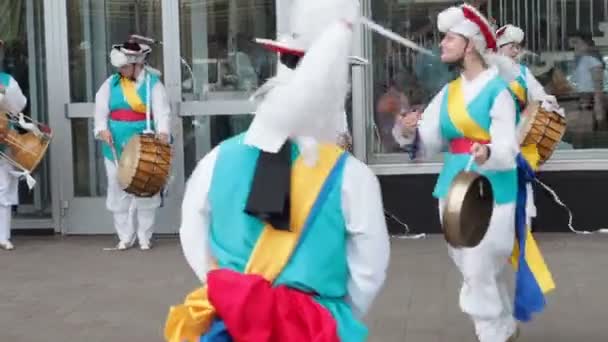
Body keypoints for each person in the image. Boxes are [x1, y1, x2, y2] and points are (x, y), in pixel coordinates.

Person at [164, 0, 390, 341]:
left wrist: (228, 289)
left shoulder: (216, 159)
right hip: (314, 326)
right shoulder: (353, 176)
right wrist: (337, 312)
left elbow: (192, 228)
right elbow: (369, 267)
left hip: (230, 322)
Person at [395, 4, 528, 341]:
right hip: (453, 189)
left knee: (478, 269)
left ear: (469, 45)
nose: (442, 44)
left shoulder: (500, 92)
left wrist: (487, 152)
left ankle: (491, 334)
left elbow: (508, 148)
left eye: (450, 38)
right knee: (472, 268)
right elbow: (429, 141)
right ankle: (505, 329)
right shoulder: (448, 92)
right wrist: (409, 129)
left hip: (494, 191)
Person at [94, 41, 171, 251]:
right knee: (117, 187)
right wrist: (102, 128)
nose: (121, 70)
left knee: (146, 189)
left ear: (138, 64)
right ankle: (125, 236)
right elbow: (100, 109)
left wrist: (163, 132)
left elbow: (162, 112)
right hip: (116, 144)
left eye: (125, 67)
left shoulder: (153, 84)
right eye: (120, 67)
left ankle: (145, 236)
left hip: (144, 143)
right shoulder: (111, 83)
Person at [496, 23, 565, 226]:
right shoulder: (489, 73)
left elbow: (539, 95)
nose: (516, 51)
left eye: (518, 47)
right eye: (512, 46)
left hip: (521, 134)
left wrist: (547, 102)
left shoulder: (524, 72)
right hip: (495, 136)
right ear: (499, 48)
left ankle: (522, 224)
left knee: (521, 180)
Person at [0, 39, 27, 250]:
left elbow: (18, 108)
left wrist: (4, 93)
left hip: (3, 140)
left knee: (4, 189)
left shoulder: (6, 80)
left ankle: (3, 235)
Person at [569, 30, 607, 131]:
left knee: (588, 126)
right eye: (572, 44)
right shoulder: (580, 60)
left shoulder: (592, 60)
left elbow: (598, 84)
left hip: (590, 98)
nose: (573, 47)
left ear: (586, 44)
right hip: (583, 98)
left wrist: (598, 104)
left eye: (576, 43)